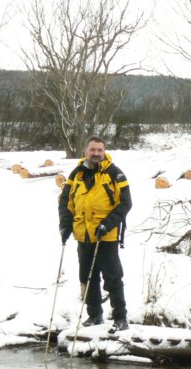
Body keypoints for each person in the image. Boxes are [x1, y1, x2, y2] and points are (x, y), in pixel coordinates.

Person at [58, 136, 132, 333]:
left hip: (105, 235)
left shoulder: (115, 174)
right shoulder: (76, 175)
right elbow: (65, 203)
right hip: (83, 235)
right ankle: (94, 315)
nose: (96, 153)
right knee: (87, 276)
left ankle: (120, 318)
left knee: (113, 277)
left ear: (104, 151)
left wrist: (107, 224)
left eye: (100, 150)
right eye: (93, 150)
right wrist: (65, 226)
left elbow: (125, 204)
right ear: (85, 151)